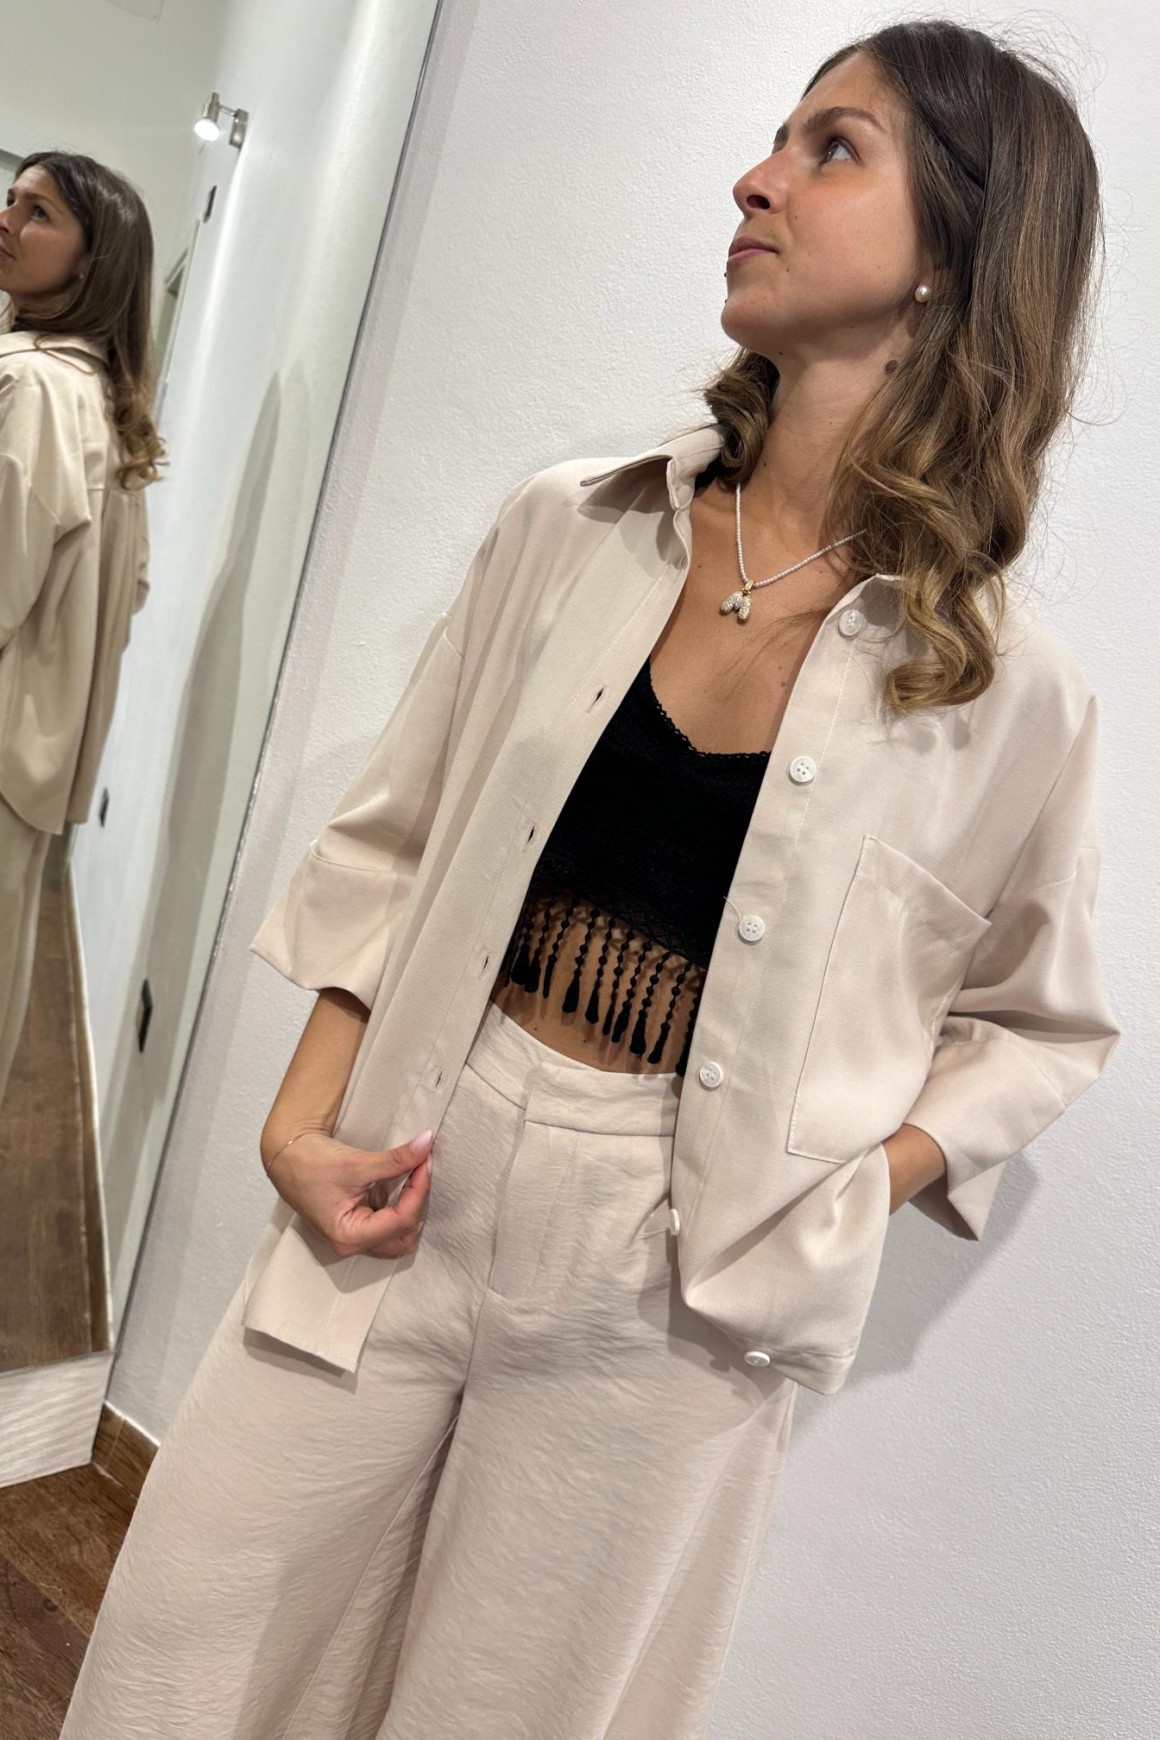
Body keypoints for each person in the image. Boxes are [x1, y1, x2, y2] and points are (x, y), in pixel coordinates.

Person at [61, 20, 1121, 1740]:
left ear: (962, 250)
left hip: (683, 1292)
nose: (755, 180)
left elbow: (1042, 1025)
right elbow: (395, 839)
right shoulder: (578, 524)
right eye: (776, 135)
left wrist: (849, 1187)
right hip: (415, 1164)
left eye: (832, 149)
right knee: (189, 1658)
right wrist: (300, 1119)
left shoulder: (1004, 690)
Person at [0, 151, 162, 1108]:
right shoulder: (106, 403)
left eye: (39, 211)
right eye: (11, 198)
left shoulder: (30, 386)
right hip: (32, 757)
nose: (7, 219)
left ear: (92, 262)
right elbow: (126, 596)